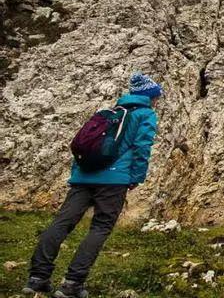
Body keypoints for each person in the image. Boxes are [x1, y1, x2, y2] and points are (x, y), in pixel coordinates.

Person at [23, 72, 162, 298]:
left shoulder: (108, 112)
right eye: (156, 97)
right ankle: (72, 284)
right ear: (150, 96)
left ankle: (37, 278)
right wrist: (135, 177)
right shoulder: (145, 115)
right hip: (114, 180)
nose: (157, 101)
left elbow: (82, 145)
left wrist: (78, 174)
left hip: (83, 176)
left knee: (62, 223)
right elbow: (142, 148)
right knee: (100, 227)